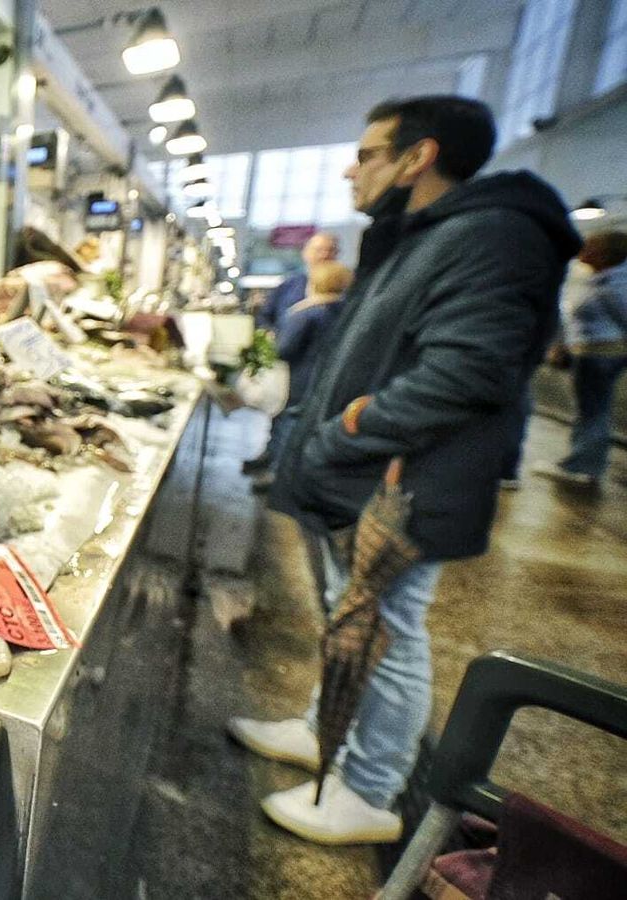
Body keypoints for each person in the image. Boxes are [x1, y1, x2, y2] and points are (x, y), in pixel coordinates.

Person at [232, 95, 581, 845]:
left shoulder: (493, 236)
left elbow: (467, 374)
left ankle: (369, 788)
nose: (349, 168)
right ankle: (323, 730)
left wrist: (350, 426)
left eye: (367, 153)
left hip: (400, 484)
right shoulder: (423, 236)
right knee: (347, 618)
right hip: (363, 475)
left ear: (418, 158)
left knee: (385, 629)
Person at [251, 260, 356, 491]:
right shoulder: (346, 312)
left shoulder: (306, 313)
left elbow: (283, 349)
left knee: (286, 426)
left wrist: (270, 341)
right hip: (325, 380)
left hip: (297, 380)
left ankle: (277, 475)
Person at [535, 230, 627, 487]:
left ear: (604, 253)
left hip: (600, 354)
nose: (582, 249)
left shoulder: (615, 283)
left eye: (590, 246)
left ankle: (579, 467)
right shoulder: (604, 279)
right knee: (594, 410)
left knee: (591, 412)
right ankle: (586, 466)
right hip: (594, 352)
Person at [244, 232, 340, 474]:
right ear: (306, 252)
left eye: (330, 250)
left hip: (313, 370)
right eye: (318, 249)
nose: (323, 255)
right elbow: (266, 316)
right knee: (280, 414)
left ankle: (280, 470)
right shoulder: (290, 285)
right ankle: (272, 457)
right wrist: (271, 333)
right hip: (287, 369)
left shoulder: (339, 293)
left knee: (294, 419)